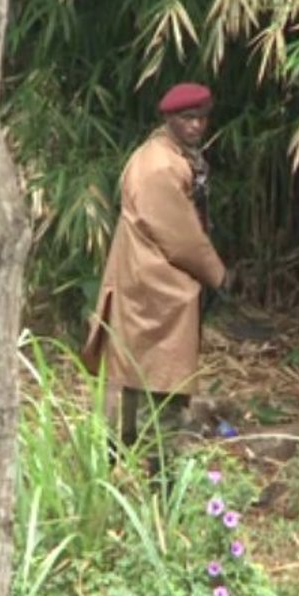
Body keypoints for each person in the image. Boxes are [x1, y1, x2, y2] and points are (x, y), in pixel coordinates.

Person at [81, 82, 234, 461]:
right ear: (169, 119)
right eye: (187, 118)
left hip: (146, 278)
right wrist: (219, 275)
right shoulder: (161, 166)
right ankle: (157, 470)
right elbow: (181, 237)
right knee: (159, 375)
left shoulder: (167, 154)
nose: (197, 126)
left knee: (139, 368)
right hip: (154, 283)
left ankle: (122, 455)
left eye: (201, 118)